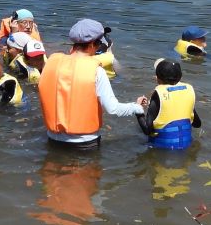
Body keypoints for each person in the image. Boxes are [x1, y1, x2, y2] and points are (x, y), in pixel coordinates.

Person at [38, 18, 146, 146]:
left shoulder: (51, 62)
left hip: (53, 140)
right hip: (85, 143)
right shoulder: (96, 71)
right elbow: (113, 109)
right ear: (91, 45)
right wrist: (137, 107)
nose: (100, 47)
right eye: (99, 43)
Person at [138, 58, 201, 149]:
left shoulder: (158, 94)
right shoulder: (188, 91)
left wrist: (138, 110)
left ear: (157, 78)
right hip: (186, 145)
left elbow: (147, 130)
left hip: (162, 148)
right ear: (180, 78)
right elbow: (197, 124)